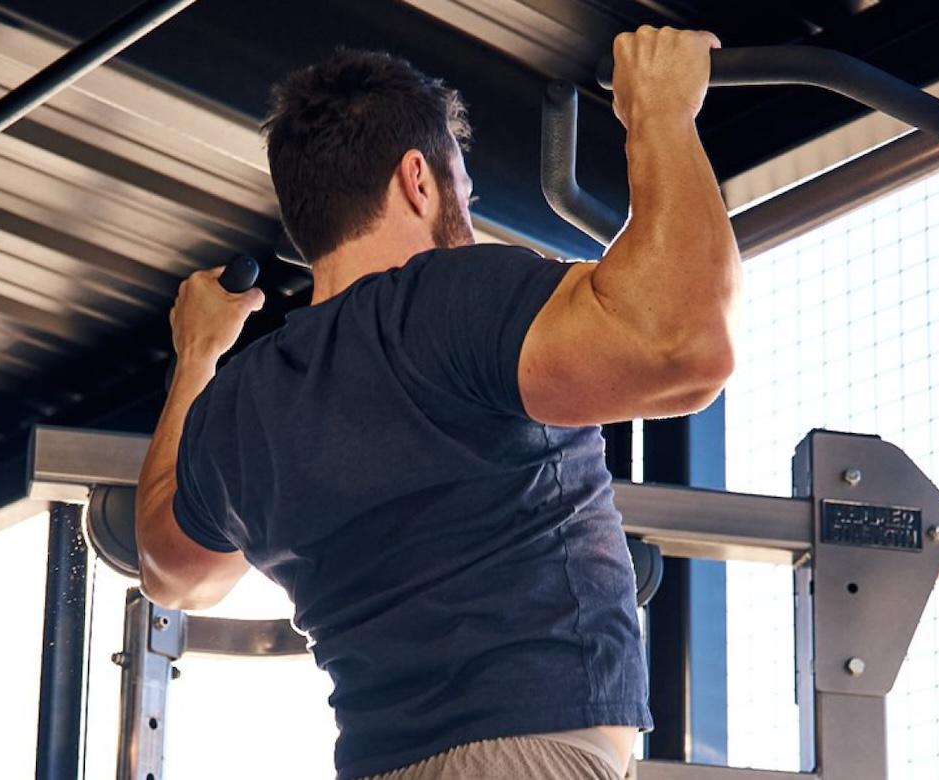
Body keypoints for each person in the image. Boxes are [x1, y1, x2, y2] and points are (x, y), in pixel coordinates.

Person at [134, 25, 739, 780]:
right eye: (464, 187)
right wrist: (661, 115)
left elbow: (174, 571)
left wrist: (197, 358)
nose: (467, 205)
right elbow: (686, 350)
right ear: (418, 178)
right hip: (525, 758)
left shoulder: (239, 405)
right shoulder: (449, 298)